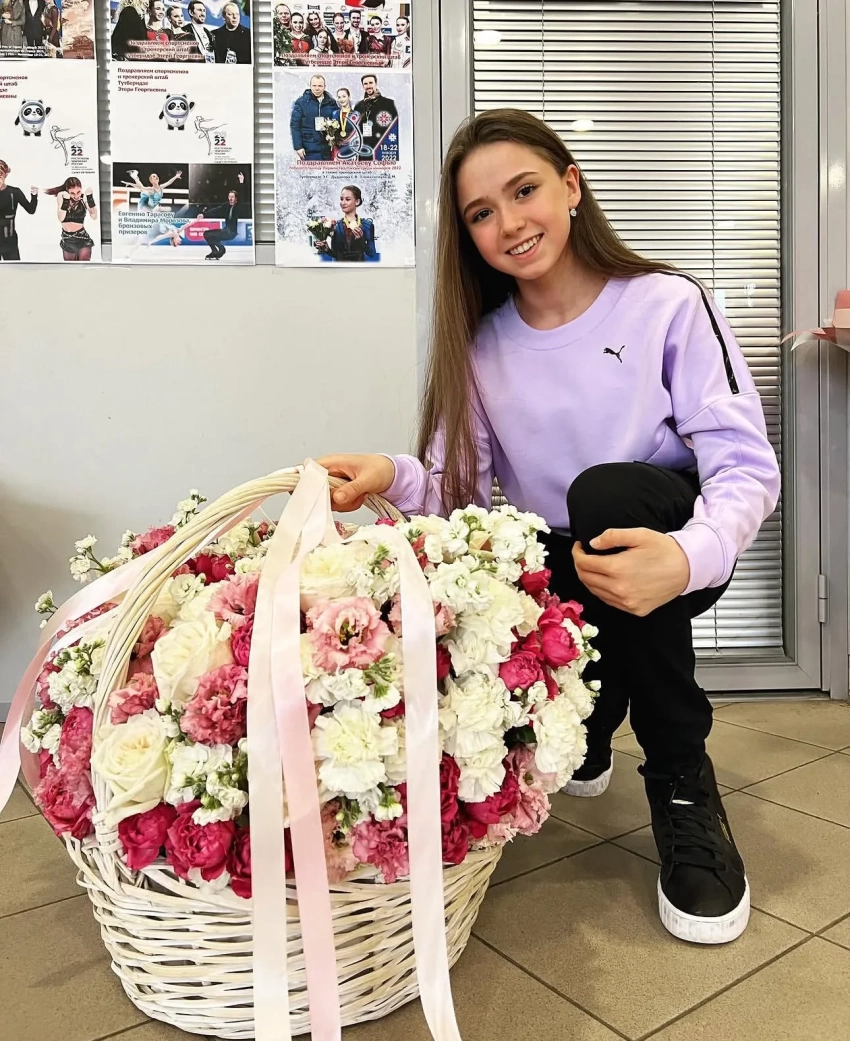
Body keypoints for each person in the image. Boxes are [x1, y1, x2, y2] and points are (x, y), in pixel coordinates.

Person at [317, 110, 781, 947]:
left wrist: (689, 556)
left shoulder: (667, 304)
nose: (509, 223)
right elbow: (457, 487)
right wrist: (390, 472)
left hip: (666, 542)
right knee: (526, 542)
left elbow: (745, 465)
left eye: (524, 190)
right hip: (560, 564)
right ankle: (593, 709)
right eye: (481, 213)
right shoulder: (481, 344)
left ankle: (681, 778)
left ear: (571, 185)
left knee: (607, 496)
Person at [316, 184, 376, 262]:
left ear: (357, 201)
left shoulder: (367, 225)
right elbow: (336, 254)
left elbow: (372, 254)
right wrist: (327, 249)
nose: (343, 203)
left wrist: (361, 242)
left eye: (347, 199)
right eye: (341, 199)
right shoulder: (336, 226)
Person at [46, 177, 97, 261]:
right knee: (70, 267)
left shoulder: (83, 198)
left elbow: (94, 216)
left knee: (83, 266)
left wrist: (90, 198)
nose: (76, 196)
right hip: (67, 239)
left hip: (83, 238)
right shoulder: (62, 196)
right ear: (67, 191)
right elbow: (61, 218)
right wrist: (66, 200)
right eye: (72, 193)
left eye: (78, 192)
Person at [198, 170, 245, 260]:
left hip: (231, 233)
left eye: (232, 197)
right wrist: (204, 214)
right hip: (225, 231)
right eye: (229, 196)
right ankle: (216, 251)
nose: (230, 198)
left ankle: (221, 249)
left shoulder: (237, 206)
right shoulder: (226, 206)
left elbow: (242, 195)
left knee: (209, 235)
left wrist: (241, 182)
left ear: (236, 198)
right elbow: (215, 210)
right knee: (207, 234)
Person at [290, 74, 336, 161]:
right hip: (308, 150)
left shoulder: (332, 103)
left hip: (326, 150)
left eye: (320, 86)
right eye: (314, 85)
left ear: (325, 86)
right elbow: (295, 125)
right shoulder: (301, 102)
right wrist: (298, 147)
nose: (317, 88)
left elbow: (337, 122)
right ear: (310, 86)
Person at [353, 74, 398, 159]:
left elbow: (394, 128)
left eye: (371, 83)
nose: (368, 86)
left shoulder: (388, 103)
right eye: (365, 84)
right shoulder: (358, 106)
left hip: (382, 148)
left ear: (376, 84)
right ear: (363, 86)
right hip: (364, 150)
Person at [0, 160, 37, 261]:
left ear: (5, 175)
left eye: (0, 175)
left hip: (9, 242)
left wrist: (34, 196)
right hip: (9, 240)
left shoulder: (14, 192)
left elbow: (31, 210)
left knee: (14, 269)